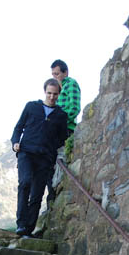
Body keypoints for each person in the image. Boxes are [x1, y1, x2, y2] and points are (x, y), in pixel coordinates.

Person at [11, 78, 68, 236]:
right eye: (49, 93)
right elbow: (18, 127)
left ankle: (28, 230)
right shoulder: (31, 107)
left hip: (45, 158)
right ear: (45, 92)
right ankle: (21, 224)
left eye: (55, 94)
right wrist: (15, 142)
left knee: (37, 194)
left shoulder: (61, 115)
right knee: (25, 183)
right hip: (26, 152)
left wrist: (52, 148)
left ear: (59, 94)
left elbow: (62, 138)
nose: (51, 96)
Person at [46, 59, 81, 206]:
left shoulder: (70, 84)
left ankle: (53, 195)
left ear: (65, 72)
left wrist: (60, 122)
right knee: (48, 161)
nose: (55, 77)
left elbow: (74, 107)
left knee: (56, 159)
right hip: (55, 130)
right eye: (53, 74)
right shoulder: (57, 91)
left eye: (57, 74)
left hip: (65, 129)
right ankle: (51, 196)